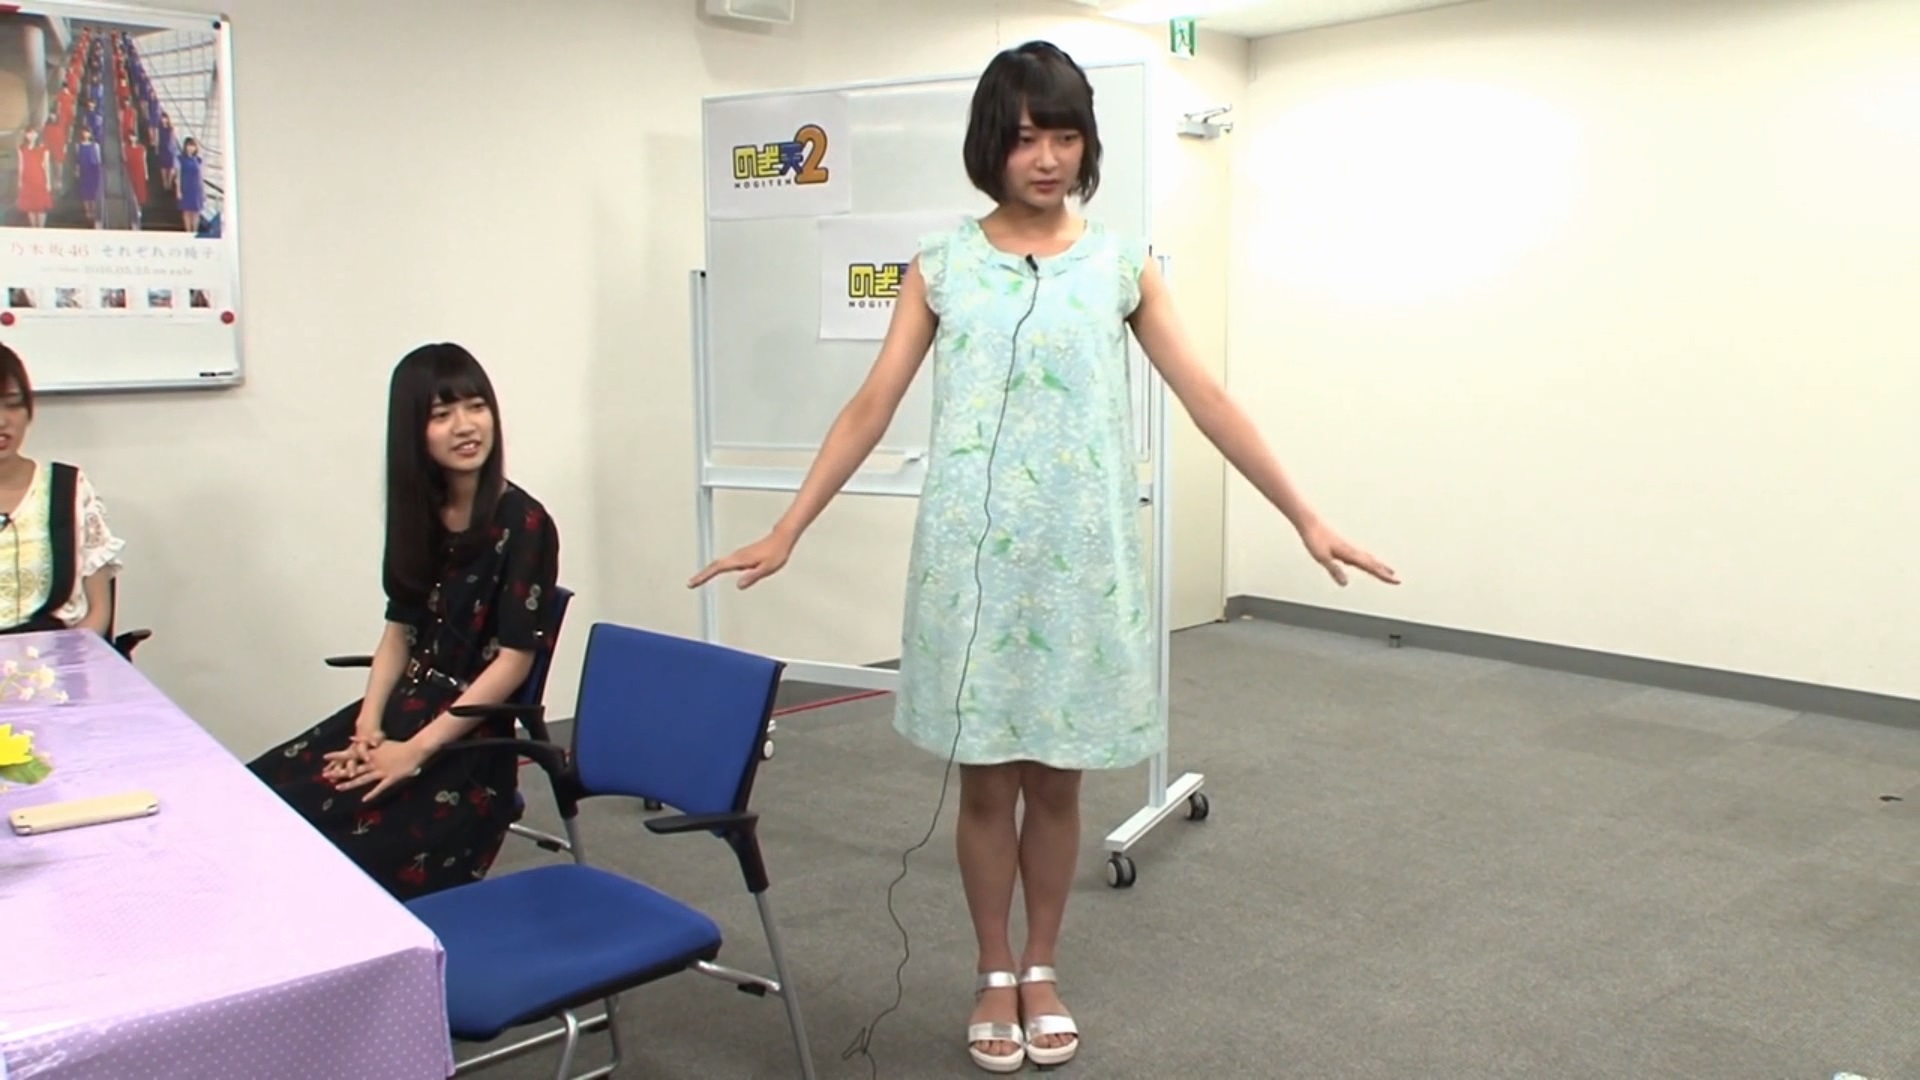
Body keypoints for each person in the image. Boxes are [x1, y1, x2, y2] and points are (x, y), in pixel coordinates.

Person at [689, 41, 1399, 1074]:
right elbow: (871, 405)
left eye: (1066, 136)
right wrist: (790, 526)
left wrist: (1304, 517)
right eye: (1026, 138)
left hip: (1079, 572)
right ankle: (991, 969)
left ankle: (1041, 966)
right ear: (992, 144)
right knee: (986, 787)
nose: (1048, 158)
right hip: (973, 572)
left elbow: (1207, 397)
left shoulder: (1121, 266)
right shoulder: (941, 266)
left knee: (1058, 787)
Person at [248, 342, 560, 901]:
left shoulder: (526, 522)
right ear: (414, 429)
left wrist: (413, 752)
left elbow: (515, 661)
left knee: (323, 844)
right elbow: (398, 630)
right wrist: (367, 727)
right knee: (258, 795)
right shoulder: (422, 510)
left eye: (476, 407)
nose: (465, 426)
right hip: (405, 708)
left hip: (466, 739)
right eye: (442, 414)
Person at [0, 343, 123, 637]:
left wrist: (69, 657)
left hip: (54, 655)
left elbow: (98, 611)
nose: (2, 421)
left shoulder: (67, 490)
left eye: (13, 404)